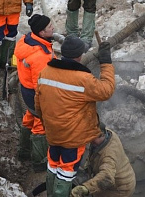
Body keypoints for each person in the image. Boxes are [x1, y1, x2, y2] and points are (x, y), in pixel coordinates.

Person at [35, 35, 115, 197]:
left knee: (53, 165)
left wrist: (47, 125)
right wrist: (106, 62)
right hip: (73, 137)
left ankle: (51, 193)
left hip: (53, 132)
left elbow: (38, 104)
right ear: (79, 56)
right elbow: (106, 90)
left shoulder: (45, 72)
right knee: (67, 171)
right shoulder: (83, 79)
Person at [14, 14, 57, 172]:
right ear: (41, 33)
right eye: (49, 27)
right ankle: (39, 162)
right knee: (40, 124)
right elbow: (42, 84)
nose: (53, 28)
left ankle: (24, 151)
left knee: (29, 117)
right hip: (37, 94)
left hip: (26, 89)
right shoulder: (40, 56)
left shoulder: (27, 40)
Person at [70, 123, 136, 197]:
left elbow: (107, 177)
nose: (89, 141)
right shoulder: (107, 133)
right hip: (121, 174)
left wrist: (86, 188)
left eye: (92, 138)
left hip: (119, 189)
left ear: (101, 135)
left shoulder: (108, 155)